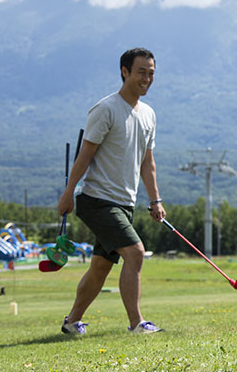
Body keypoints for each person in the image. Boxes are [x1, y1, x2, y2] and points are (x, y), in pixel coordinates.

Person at [57, 47, 166, 335]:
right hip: (97, 201)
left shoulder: (149, 115)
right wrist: (69, 192)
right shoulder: (105, 109)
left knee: (100, 268)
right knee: (136, 253)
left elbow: (147, 162)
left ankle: (71, 323)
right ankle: (136, 323)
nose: (146, 78)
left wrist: (155, 199)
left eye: (151, 73)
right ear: (125, 71)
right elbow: (85, 154)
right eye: (141, 72)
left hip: (124, 204)